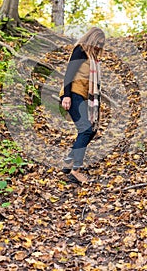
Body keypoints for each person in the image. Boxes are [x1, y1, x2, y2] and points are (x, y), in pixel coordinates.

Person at [59, 27, 105, 184]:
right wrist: (66, 96)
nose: (99, 46)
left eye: (102, 44)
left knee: (90, 130)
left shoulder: (92, 57)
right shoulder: (80, 50)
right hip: (73, 93)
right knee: (85, 129)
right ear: (91, 38)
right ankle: (75, 169)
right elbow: (69, 73)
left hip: (84, 96)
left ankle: (69, 160)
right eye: (98, 42)